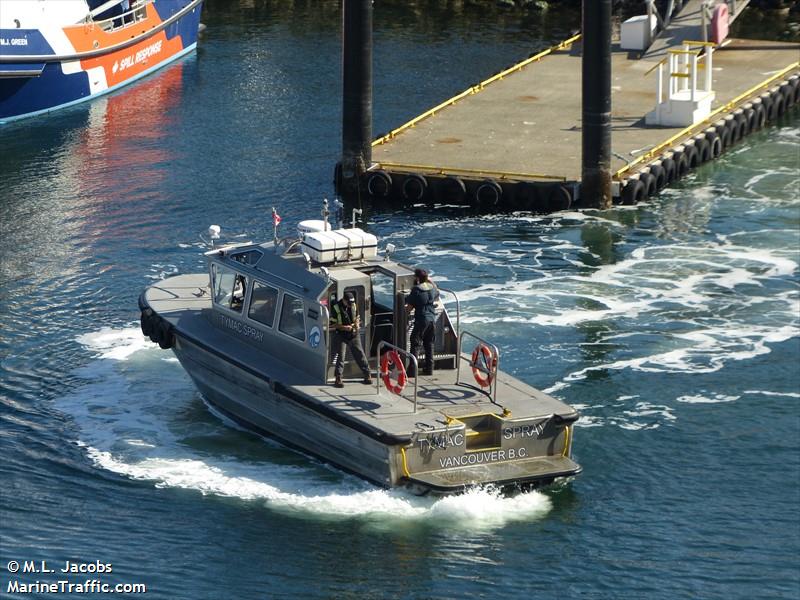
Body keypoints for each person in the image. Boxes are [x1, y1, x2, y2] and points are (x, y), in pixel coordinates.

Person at [330, 291, 372, 387]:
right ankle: (338, 378)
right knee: (341, 356)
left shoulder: (353, 305)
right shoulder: (336, 308)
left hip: (353, 334)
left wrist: (356, 324)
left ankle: (367, 374)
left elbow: (357, 317)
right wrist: (344, 327)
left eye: (351, 303)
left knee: (359, 353)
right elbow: (333, 324)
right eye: (348, 303)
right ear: (344, 300)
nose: (350, 305)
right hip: (341, 335)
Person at [405, 269, 439, 377]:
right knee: (429, 344)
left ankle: (412, 371)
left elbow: (409, 307)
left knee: (415, 343)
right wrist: (429, 280)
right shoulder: (432, 288)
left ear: (417, 278)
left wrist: (403, 313)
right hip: (432, 319)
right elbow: (437, 291)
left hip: (421, 320)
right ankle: (429, 369)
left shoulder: (416, 290)